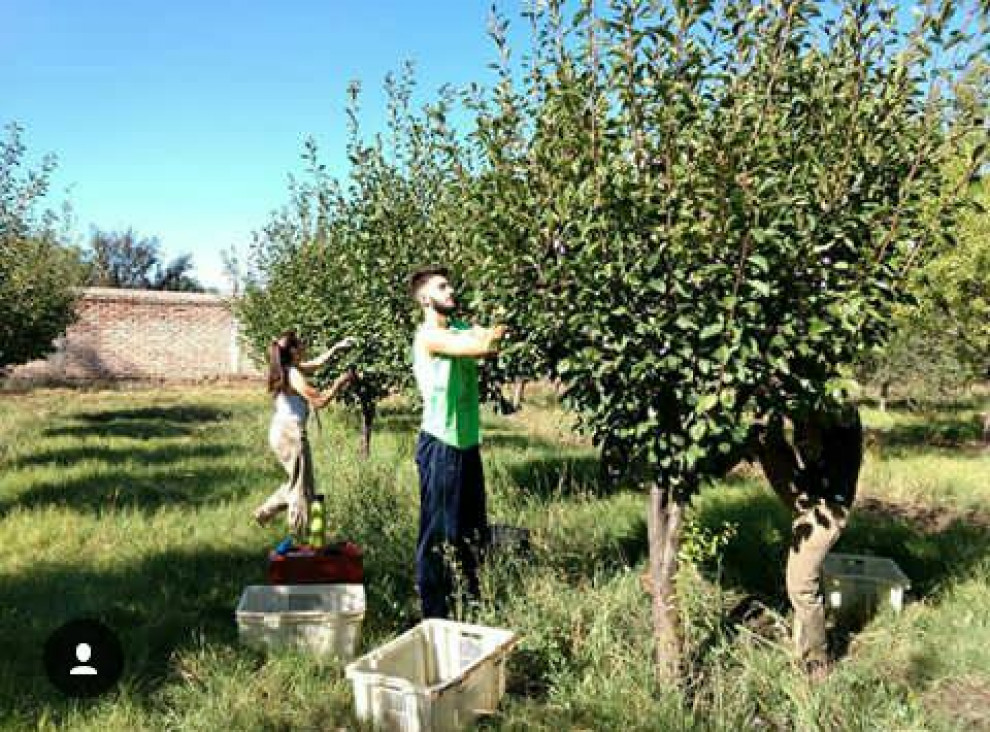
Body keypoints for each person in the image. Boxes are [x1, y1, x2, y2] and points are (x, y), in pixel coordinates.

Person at [409, 266, 507, 619]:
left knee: (471, 529)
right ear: (424, 298)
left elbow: (490, 342)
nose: (451, 291)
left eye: (450, 285)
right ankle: (434, 614)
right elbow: (484, 345)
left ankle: (470, 602)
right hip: (440, 445)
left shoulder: (459, 328)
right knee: (437, 533)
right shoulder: (429, 338)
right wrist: (503, 319)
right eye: (442, 286)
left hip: (467, 444)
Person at [753, 402, 862, 679]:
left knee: (800, 585)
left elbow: (814, 442)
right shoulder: (814, 409)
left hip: (826, 510)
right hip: (810, 499)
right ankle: (802, 645)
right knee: (764, 439)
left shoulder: (836, 410)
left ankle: (817, 660)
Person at [253, 330, 356, 535]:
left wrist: (336, 348)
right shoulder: (293, 374)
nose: (304, 345)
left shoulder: (286, 368)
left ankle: (266, 511)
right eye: (300, 343)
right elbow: (319, 401)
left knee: (299, 481)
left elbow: (315, 364)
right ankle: (298, 537)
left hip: (281, 431)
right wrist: (340, 383)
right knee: (302, 489)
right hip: (290, 434)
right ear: (292, 350)